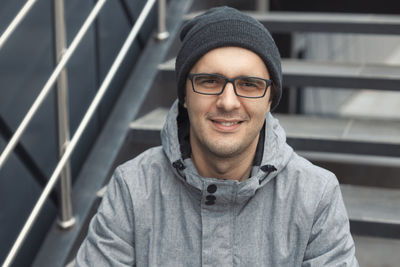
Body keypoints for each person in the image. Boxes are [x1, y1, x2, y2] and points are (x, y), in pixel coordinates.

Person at [76, 6, 358, 266]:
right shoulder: (133, 188)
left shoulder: (315, 195)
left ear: (270, 99)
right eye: (210, 81)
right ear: (185, 95)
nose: (228, 102)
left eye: (249, 84)